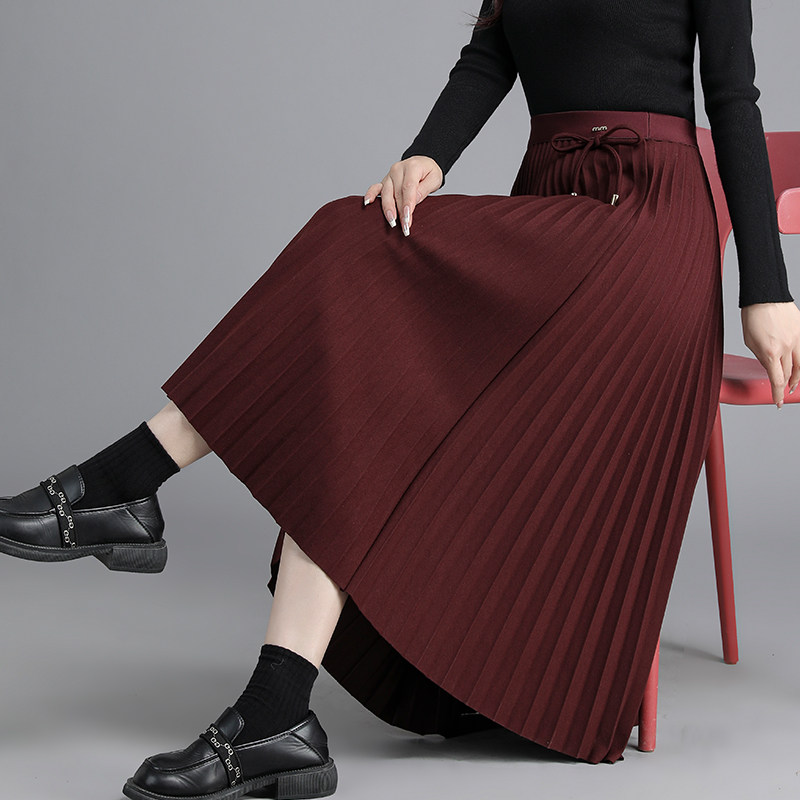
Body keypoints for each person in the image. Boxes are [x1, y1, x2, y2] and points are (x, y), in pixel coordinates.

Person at [2, 1, 800, 798]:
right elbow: (490, 57)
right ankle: (276, 711)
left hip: (646, 236)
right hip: (552, 209)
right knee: (361, 327)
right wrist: (429, 154)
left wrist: (765, 287)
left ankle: (123, 485)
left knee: (347, 254)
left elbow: (734, 99)